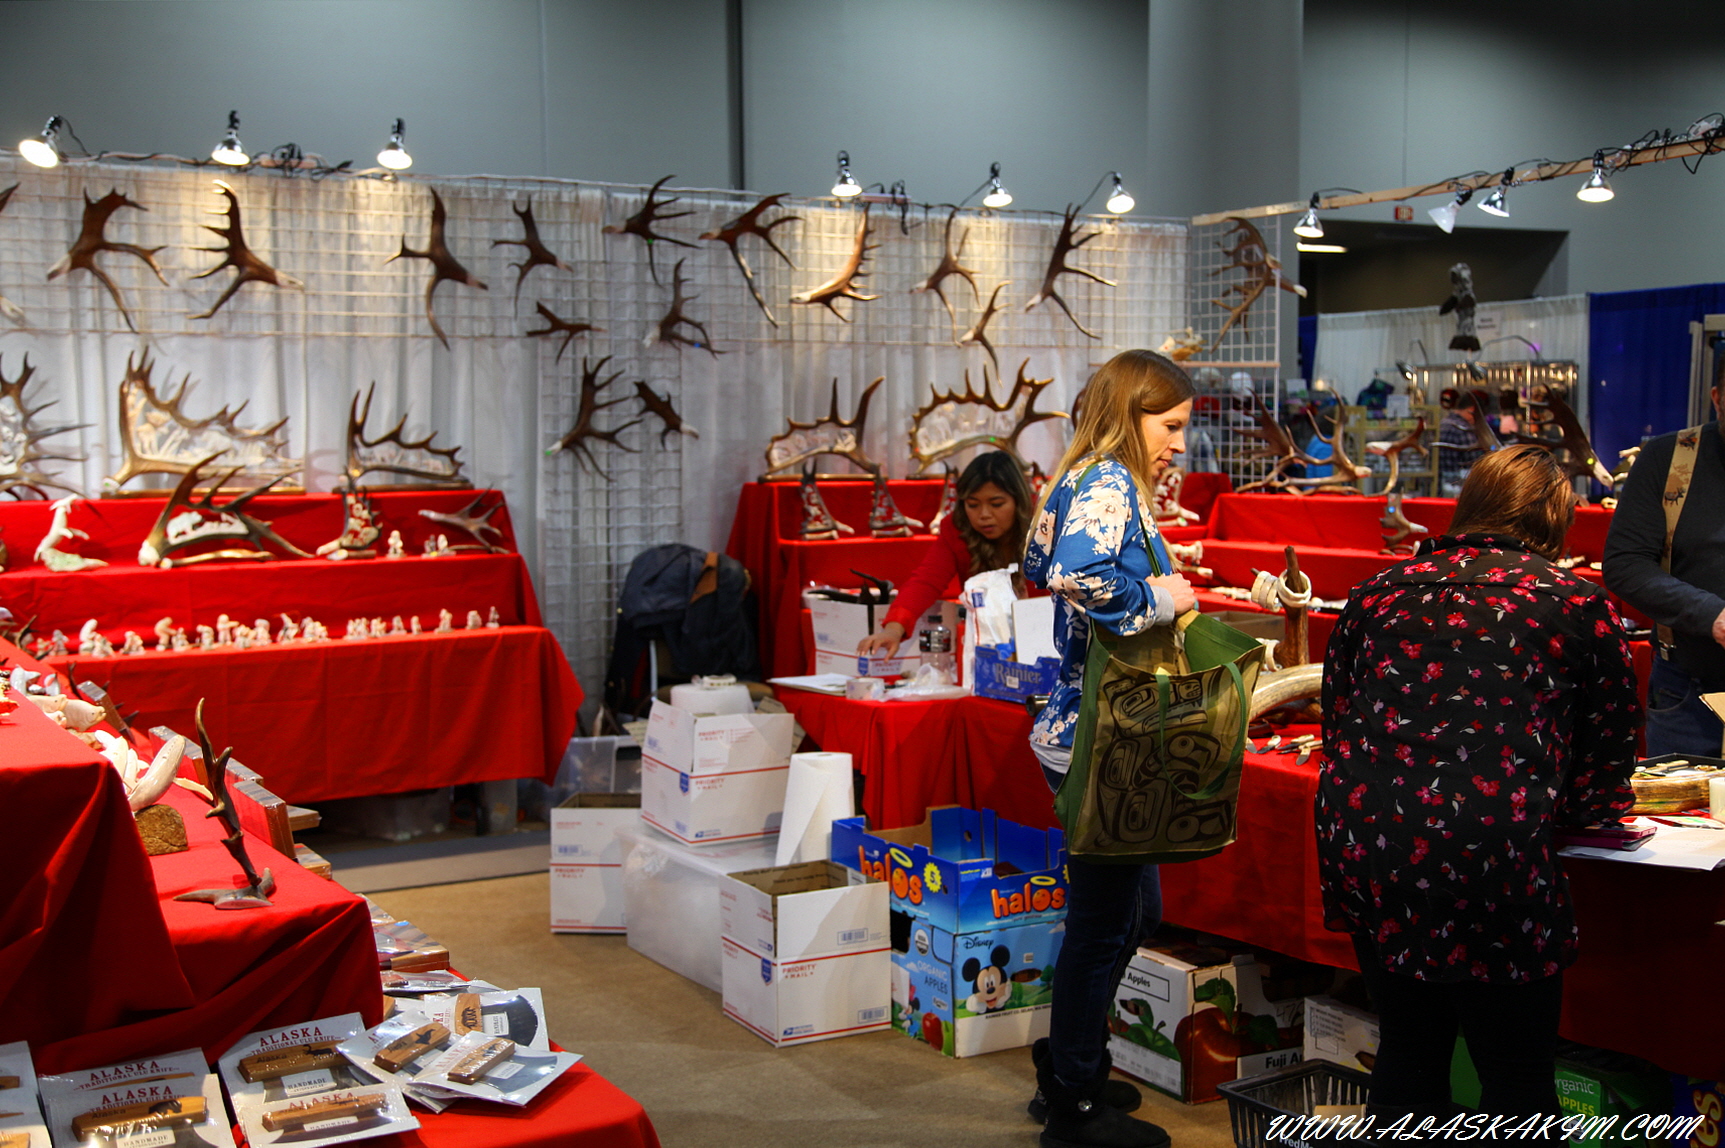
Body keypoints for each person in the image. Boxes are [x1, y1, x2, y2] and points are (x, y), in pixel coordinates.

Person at [1316, 445, 1640, 1122]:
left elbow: (1339, 719)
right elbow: (1608, 749)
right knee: (1516, 1074)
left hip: (1369, 839)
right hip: (1489, 852)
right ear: (1553, 516)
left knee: (1407, 1045)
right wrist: (1586, 812)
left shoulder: (1378, 592)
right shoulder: (1575, 603)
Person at [1022, 349, 1197, 1148]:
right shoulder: (1108, 481)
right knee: (1103, 925)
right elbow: (1074, 574)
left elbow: (1039, 560)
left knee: (1131, 913)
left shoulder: (1083, 476)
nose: (1178, 443)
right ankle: (1073, 1102)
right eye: (1170, 425)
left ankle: (1071, 1064)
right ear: (1131, 413)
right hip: (1103, 735)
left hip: (1092, 729)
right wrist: (1158, 593)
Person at [1603, 370, 1725, 755]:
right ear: (1717, 398)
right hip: (1689, 694)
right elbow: (1625, 563)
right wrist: (1713, 616)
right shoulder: (1669, 458)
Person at [856, 449, 1033, 658]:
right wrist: (893, 629)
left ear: (1019, 501)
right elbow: (926, 581)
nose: (984, 515)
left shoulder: (1046, 524)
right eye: (973, 505)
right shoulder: (957, 527)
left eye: (996, 504)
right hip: (986, 640)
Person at [1435, 387, 1485, 496]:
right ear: (1472, 410)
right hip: (1456, 491)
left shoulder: (1442, 424)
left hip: (1436, 488)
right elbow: (1475, 464)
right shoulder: (1464, 430)